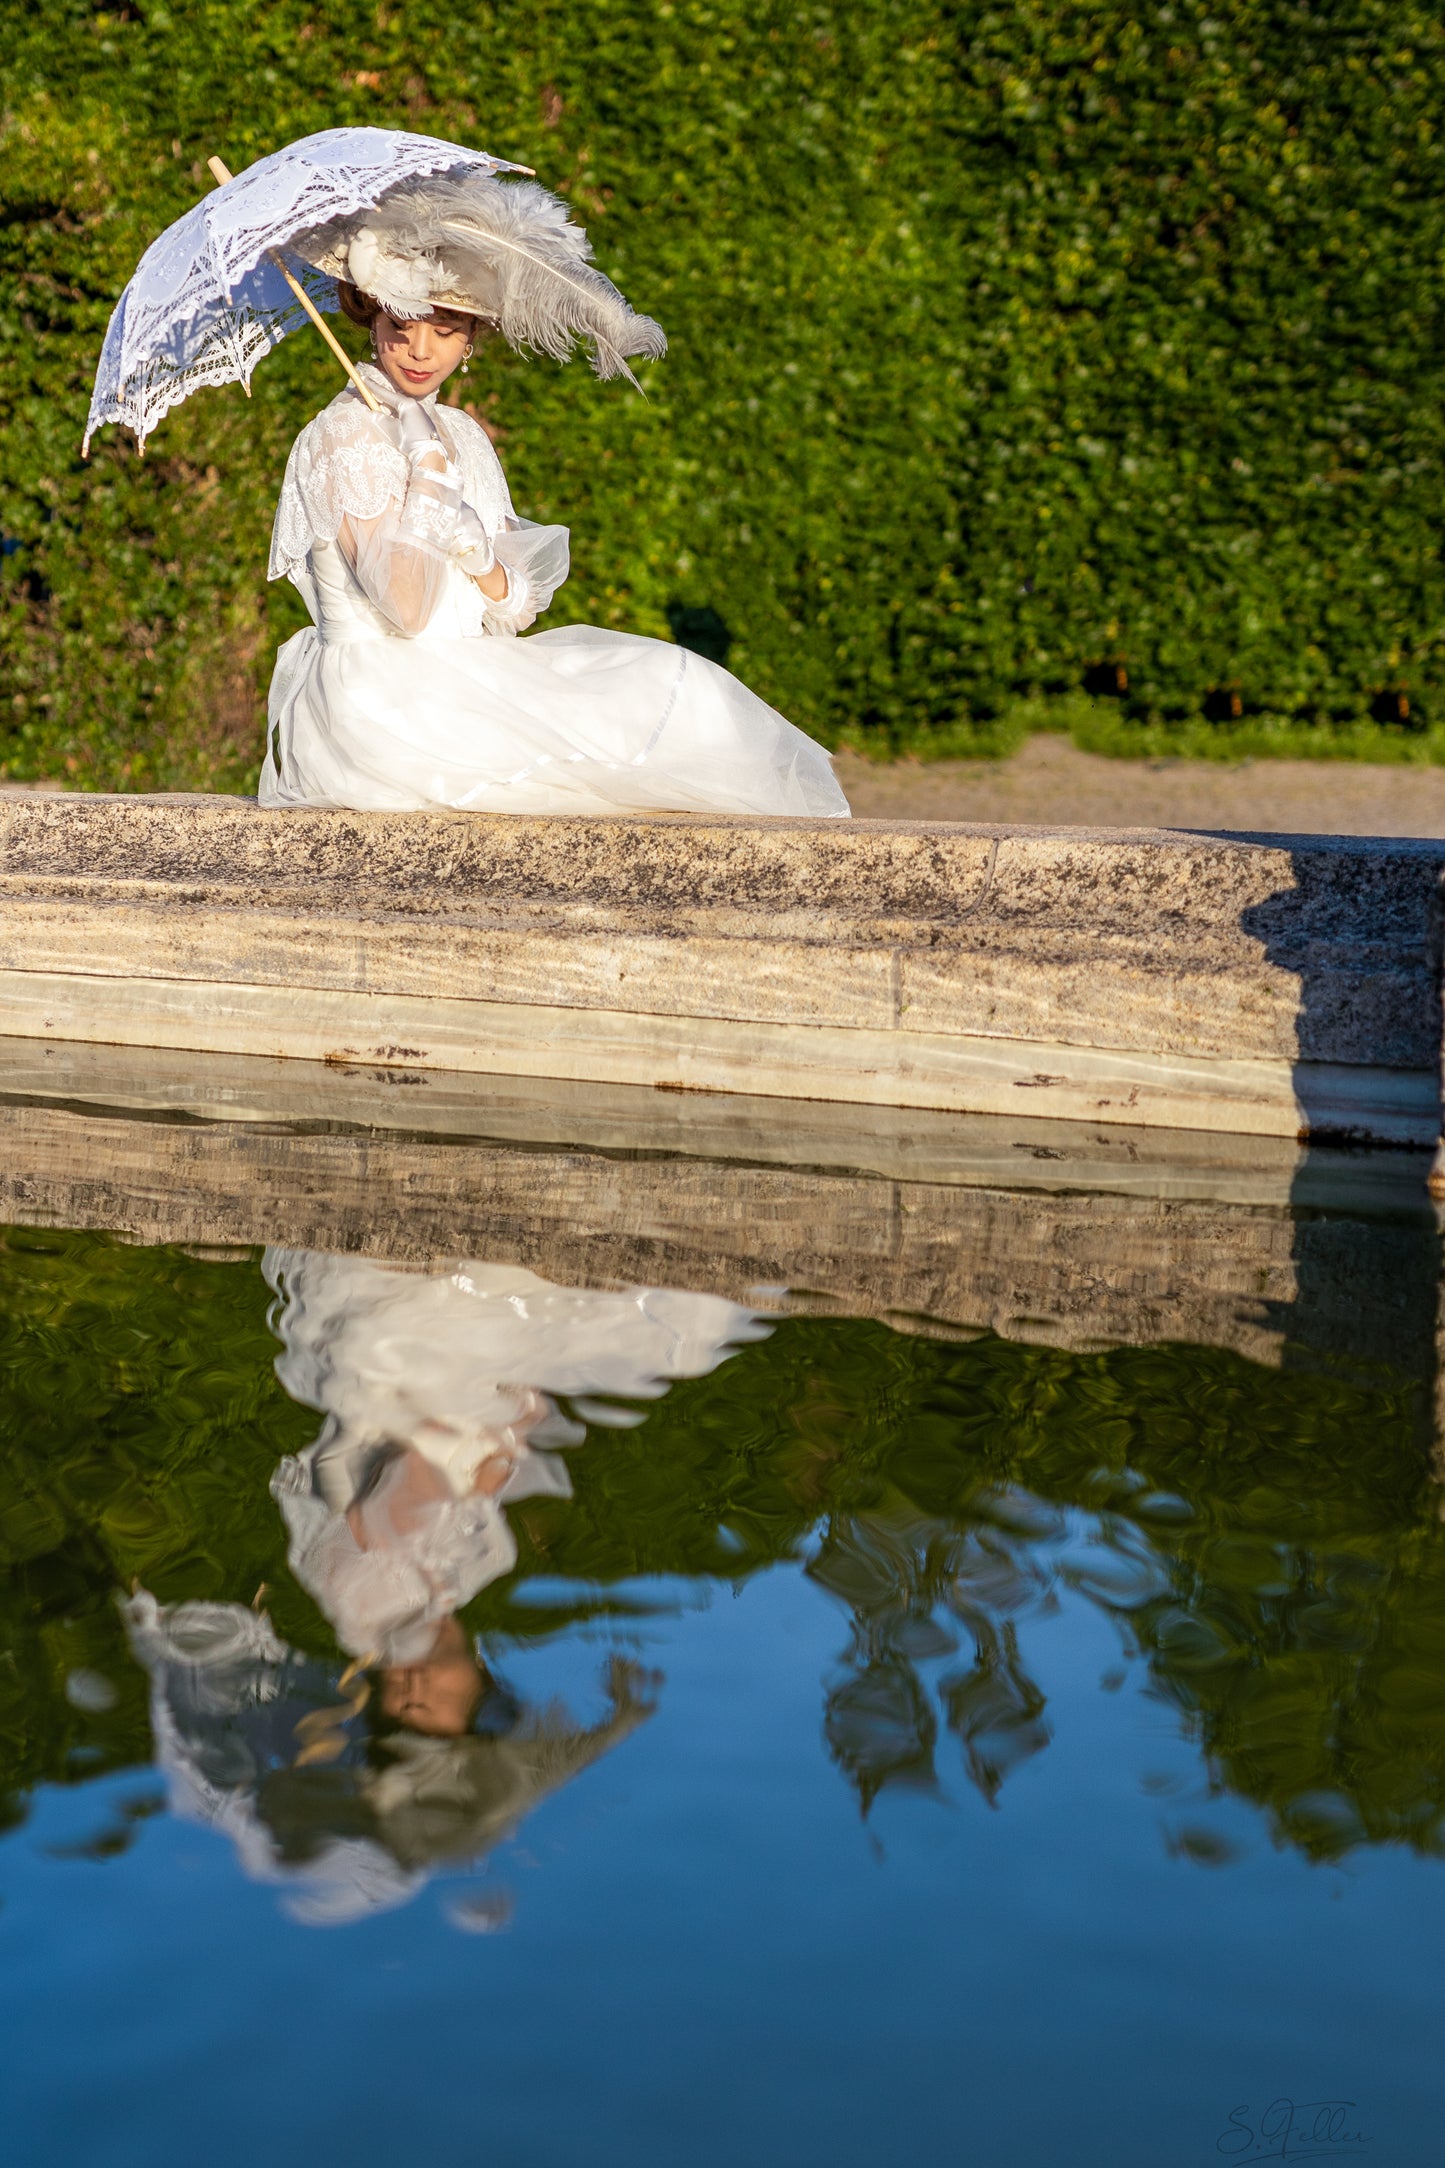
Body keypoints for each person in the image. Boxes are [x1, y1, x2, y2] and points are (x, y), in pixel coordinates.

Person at [260, 199, 850, 818]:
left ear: (470, 342)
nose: (419, 350)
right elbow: (405, 610)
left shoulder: (461, 434)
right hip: (382, 706)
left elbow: (516, 607)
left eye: (445, 330)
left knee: (678, 684)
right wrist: (429, 479)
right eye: (400, 327)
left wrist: (474, 549)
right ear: (373, 322)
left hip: (468, 672)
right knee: (617, 753)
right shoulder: (343, 435)